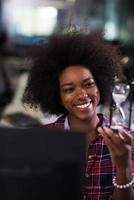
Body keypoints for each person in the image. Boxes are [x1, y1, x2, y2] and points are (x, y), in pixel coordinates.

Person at [22, 31, 134, 200]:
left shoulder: (126, 140)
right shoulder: (42, 139)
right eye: (69, 89)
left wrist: (123, 165)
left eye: (88, 84)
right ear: (57, 96)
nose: (82, 94)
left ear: (100, 86)